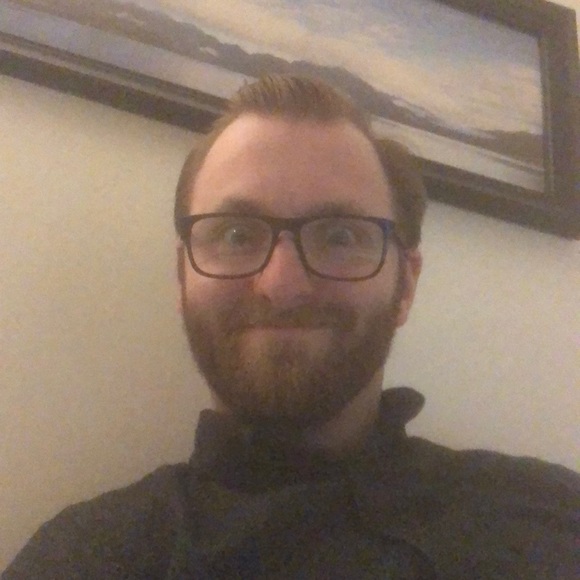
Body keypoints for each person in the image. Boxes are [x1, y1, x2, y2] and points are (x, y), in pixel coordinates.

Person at [3, 75, 578, 579]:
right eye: (235, 234)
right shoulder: (82, 558)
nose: (281, 286)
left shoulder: (552, 517)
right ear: (182, 278)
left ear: (405, 285)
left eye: (340, 236)